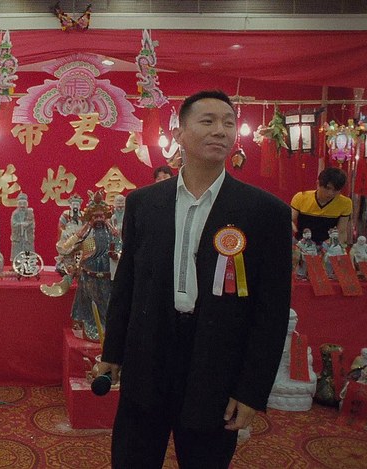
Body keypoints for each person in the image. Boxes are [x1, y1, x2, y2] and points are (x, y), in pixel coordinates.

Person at [95, 90, 292, 468]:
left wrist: (252, 390)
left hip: (216, 363)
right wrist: (112, 353)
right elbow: (127, 285)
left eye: (228, 123)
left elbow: (272, 312)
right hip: (149, 357)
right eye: (208, 121)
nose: (220, 130)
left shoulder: (265, 212)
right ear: (179, 134)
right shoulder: (144, 203)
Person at [61, 190, 116, 342]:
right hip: (89, 276)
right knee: (90, 304)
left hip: (107, 276)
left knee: (108, 303)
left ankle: (107, 327)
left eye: (101, 216)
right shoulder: (86, 233)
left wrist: (116, 254)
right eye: (95, 217)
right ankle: (90, 326)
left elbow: (120, 245)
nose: (98, 219)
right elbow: (66, 247)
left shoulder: (111, 233)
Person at [291, 167, 352, 245]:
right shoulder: (301, 197)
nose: (330, 193)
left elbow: (341, 231)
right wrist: (293, 229)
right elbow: (290, 219)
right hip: (301, 241)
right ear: (318, 183)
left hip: (327, 244)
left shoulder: (345, 203)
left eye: (335, 190)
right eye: (327, 188)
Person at [10, 192, 35, 261]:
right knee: (17, 250)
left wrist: (27, 225)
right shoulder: (15, 213)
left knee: (28, 251)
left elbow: (32, 223)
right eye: (20, 203)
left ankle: (28, 263)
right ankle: (17, 263)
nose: (22, 205)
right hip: (18, 236)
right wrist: (21, 224)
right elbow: (13, 224)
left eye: (24, 203)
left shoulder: (30, 213)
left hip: (27, 237)